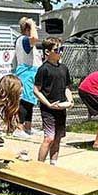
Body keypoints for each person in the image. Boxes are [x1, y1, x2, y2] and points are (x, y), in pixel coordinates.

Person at [33, 37, 72, 165]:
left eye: (62, 49)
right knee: (49, 138)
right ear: (47, 52)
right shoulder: (43, 69)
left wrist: (70, 100)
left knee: (58, 138)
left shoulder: (64, 68)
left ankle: (53, 164)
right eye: (57, 49)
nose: (60, 52)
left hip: (61, 107)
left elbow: (67, 87)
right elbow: (36, 90)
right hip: (48, 109)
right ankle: (39, 165)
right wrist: (49, 104)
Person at [11, 17, 41, 139]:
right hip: (26, 72)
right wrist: (30, 24)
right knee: (24, 101)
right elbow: (35, 39)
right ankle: (19, 128)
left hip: (31, 71)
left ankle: (28, 127)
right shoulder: (24, 39)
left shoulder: (22, 40)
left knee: (30, 102)